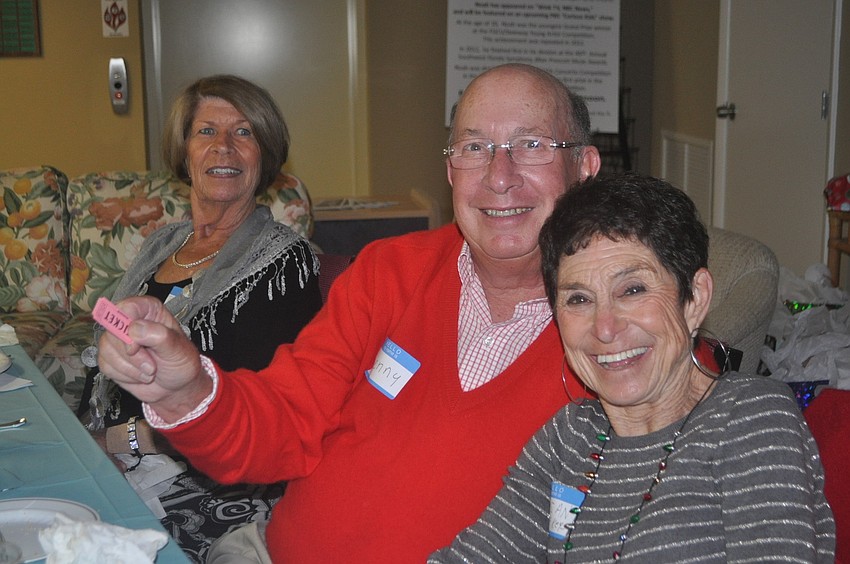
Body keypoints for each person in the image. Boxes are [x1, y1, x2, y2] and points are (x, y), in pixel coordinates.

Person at [95, 63, 602, 563]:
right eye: (474, 148)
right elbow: (282, 420)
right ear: (450, 170)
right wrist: (187, 390)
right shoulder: (390, 272)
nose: (499, 176)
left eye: (531, 145)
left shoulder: (622, 328)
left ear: (584, 167)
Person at [429, 173, 836, 563]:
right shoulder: (568, 440)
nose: (605, 328)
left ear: (694, 298)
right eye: (578, 299)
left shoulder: (751, 420)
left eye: (633, 290)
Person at [80, 74, 323, 562]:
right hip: (114, 454)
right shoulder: (161, 244)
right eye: (206, 132)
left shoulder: (285, 263)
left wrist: (116, 439)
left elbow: (258, 406)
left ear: (265, 154)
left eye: (244, 132)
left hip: (208, 484)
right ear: (185, 153)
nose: (225, 148)